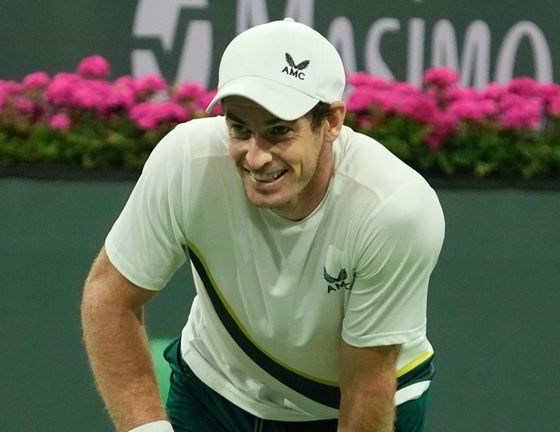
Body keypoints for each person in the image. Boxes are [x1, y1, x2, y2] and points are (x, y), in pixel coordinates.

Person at [81, 18, 445, 432]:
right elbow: (109, 296)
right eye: (240, 128)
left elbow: (364, 384)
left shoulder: (394, 210)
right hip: (212, 391)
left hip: (346, 404)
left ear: (331, 123)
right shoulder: (185, 161)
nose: (256, 157)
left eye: (279, 132)